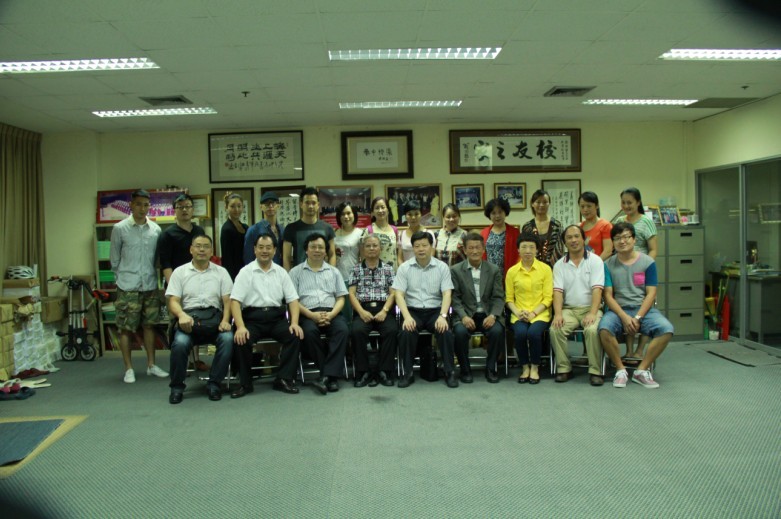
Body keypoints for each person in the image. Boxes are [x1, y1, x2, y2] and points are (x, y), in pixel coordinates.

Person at [598, 222, 673, 388]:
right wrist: (624, 317)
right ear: (613, 242)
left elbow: (651, 293)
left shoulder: (647, 262)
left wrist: (638, 317)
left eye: (626, 237)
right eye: (617, 238)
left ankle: (641, 370)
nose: (622, 241)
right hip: (618, 310)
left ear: (634, 239)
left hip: (643, 309)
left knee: (666, 329)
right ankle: (620, 370)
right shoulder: (607, 265)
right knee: (604, 329)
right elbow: (608, 296)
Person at [229, 233, 303, 398]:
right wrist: (240, 326)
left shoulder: (281, 272)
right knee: (241, 339)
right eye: (261, 247)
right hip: (252, 319)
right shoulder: (245, 272)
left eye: (268, 248)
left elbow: (293, 300)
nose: (264, 251)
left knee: (294, 335)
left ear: (275, 250)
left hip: (276, 318)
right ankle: (245, 383)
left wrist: (294, 323)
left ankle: (283, 379)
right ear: (254, 249)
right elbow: (235, 302)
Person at [165, 235, 233, 404]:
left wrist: (226, 320)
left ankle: (214, 384)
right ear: (191, 249)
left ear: (211, 251)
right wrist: (181, 316)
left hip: (214, 320)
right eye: (198, 246)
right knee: (180, 344)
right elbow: (173, 301)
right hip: (188, 320)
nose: (202, 249)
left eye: (206, 246)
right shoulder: (179, 272)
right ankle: (177, 387)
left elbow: (228, 301)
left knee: (227, 339)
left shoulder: (221, 272)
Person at [109, 189, 168, 383]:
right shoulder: (120, 228)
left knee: (150, 326)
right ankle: (129, 369)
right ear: (131, 205)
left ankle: (151, 365)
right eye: (138, 204)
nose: (142, 208)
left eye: (146, 205)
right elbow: (114, 259)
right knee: (126, 328)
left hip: (149, 285)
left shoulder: (155, 229)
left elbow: (157, 259)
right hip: (128, 287)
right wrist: (122, 279)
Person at [393, 231, 457, 388]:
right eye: (417, 246)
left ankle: (449, 371)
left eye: (424, 245)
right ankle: (407, 373)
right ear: (413, 248)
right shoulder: (404, 268)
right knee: (406, 332)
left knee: (445, 332)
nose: (421, 249)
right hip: (412, 310)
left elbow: (447, 294)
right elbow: (399, 295)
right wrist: (407, 317)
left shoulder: (442, 267)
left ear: (431, 246)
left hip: (435, 310)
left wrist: (443, 316)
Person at [289, 233, 349, 395]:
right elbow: (293, 300)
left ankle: (325, 377)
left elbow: (341, 298)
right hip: (307, 313)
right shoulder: (295, 272)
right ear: (306, 250)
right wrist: (311, 315)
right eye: (313, 247)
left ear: (325, 251)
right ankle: (330, 376)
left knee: (342, 330)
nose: (317, 250)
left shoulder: (334, 272)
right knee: (308, 333)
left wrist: (331, 315)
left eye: (321, 247)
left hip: (331, 312)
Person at [550, 225, 606, 386]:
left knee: (592, 330)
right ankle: (564, 368)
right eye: (569, 237)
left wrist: (593, 313)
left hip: (591, 308)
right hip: (569, 309)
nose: (573, 240)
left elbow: (597, 289)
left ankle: (595, 371)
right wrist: (558, 314)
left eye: (576, 236)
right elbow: (557, 292)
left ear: (583, 239)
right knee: (555, 329)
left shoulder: (595, 260)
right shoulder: (559, 264)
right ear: (564, 242)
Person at [450, 233, 506, 383]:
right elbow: (455, 298)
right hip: (466, 314)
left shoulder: (493, 270)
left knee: (497, 331)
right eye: (471, 248)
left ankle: (491, 368)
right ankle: (465, 370)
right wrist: (463, 316)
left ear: (483, 249)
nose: (474, 251)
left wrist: (493, 315)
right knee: (459, 333)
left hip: (488, 314)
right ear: (465, 250)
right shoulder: (455, 270)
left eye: (477, 247)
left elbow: (498, 297)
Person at [348, 234, 398, 388]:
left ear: (380, 248)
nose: (371, 248)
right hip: (363, 309)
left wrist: (384, 311)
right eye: (368, 246)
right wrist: (361, 312)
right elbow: (351, 294)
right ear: (363, 249)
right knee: (356, 331)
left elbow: (393, 293)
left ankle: (385, 371)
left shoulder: (388, 269)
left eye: (375, 245)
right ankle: (363, 372)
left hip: (384, 309)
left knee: (391, 330)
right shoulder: (356, 269)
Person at [616, 187, 658, 360]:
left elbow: (653, 249)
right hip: (623, 269)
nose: (626, 206)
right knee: (627, 305)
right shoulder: (619, 221)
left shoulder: (646, 222)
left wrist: (644, 267)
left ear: (638, 202)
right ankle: (629, 350)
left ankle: (640, 350)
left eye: (630, 202)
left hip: (641, 270)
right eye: (623, 203)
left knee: (643, 307)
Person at [506, 233, 553, 385]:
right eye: (524, 247)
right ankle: (525, 367)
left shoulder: (545, 269)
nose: (528, 251)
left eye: (532, 247)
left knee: (533, 334)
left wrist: (533, 313)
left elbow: (548, 298)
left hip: (540, 313)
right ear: (518, 250)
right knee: (520, 334)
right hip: (518, 313)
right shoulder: (512, 271)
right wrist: (518, 312)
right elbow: (509, 299)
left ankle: (535, 367)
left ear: (537, 250)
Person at [282, 187, 336, 271]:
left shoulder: (327, 228)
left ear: (318, 205)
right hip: (299, 275)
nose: (310, 206)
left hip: (322, 275)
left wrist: (331, 273)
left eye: (313, 203)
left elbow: (332, 254)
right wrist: (288, 277)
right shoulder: (291, 228)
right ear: (301, 204)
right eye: (307, 203)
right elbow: (286, 257)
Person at [157, 193, 206, 284]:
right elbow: (166, 264)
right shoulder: (167, 234)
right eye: (180, 207)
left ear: (192, 209)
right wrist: (173, 286)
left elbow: (204, 257)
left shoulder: (199, 231)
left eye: (187, 206)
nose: (184, 209)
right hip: (178, 282)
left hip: (198, 280)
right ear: (174, 211)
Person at [522, 189, 564, 267]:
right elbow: (525, 248)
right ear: (532, 204)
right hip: (532, 267)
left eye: (545, 202)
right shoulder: (527, 227)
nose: (541, 205)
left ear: (549, 204)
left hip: (554, 268)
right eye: (538, 202)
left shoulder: (557, 225)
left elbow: (560, 249)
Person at [480, 197, 520, 278]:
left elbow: (519, 255)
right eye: (493, 213)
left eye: (500, 212)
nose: (497, 216)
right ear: (489, 215)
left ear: (505, 213)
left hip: (509, 275)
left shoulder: (515, 233)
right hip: (488, 276)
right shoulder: (483, 233)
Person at [243, 191, 284, 267]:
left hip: (278, 271)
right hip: (260, 271)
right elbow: (248, 258)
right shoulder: (253, 230)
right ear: (261, 207)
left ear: (278, 206)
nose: (270, 206)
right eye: (267, 204)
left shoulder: (282, 229)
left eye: (273, 203)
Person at [364, 196, 399, 271]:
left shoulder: (394, 230)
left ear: (388, 210)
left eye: (383, 207)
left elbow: (397, 252)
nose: (380, 210)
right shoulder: (368, 230)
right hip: (374, 272)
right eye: (377, 208)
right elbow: (364, 255)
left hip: (393, 271)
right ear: (372, 212)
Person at [397, 199, 435, 265]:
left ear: (421, 215)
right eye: (409, 214)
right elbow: (400, 258)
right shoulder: (401, 235)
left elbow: (431, 257)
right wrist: (404, 269)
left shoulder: (429, 233)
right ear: (405, 216)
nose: (413, 217)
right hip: (406, 270)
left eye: (416, 214)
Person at [219, 192, 248, 280]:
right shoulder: (226, 229)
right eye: (232, 206)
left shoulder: (245, 227)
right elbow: (227, 258)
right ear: (226, 207)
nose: (236, 209)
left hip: (246, 269)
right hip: (234, 273)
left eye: (239, 206)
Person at [333, 201, 364, 282]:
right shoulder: (334, 233)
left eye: (348, 213)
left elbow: (363, 259)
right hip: (337, 277)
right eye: (343, 214)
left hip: (354, 277)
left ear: (354, 214)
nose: (346, 216)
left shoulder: (360, 233)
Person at [578, 191, 613, 260]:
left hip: (600, 264)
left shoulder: (605, 225)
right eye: (582, 206)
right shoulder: (579, 227)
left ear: (597, 206)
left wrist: (595, 264)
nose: (585, 209)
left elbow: (608, 251)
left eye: (589, 206)